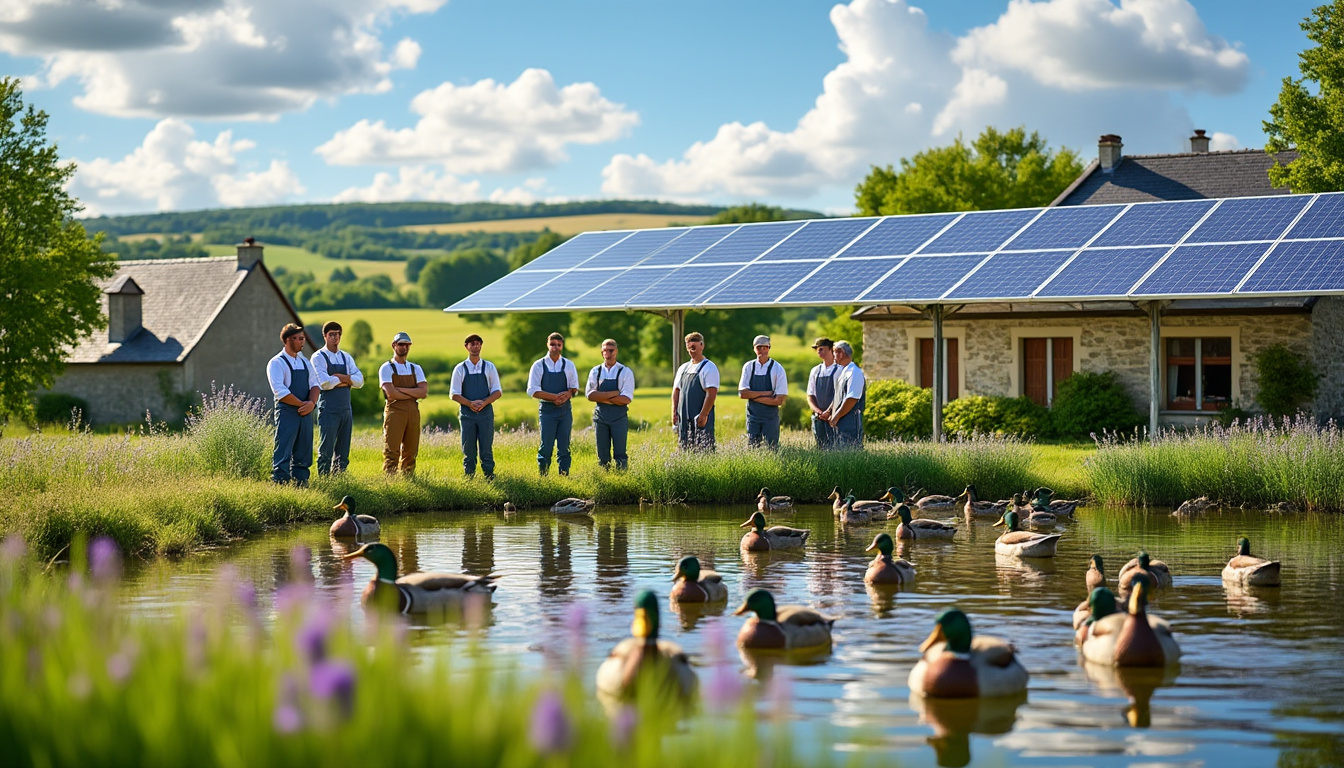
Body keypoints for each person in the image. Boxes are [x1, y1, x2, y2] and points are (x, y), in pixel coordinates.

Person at [266, 323, 318, 485]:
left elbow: (315, 384)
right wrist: (303, 405)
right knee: (284, 447)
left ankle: (301, 481)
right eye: (299, 339)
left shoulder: (305, 362)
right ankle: (280, 480)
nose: (303, 342)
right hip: (287, 412)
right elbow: (279, 391)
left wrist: (311, 403)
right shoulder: (276, 363)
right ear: (289, 340)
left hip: (306, 412)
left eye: (303, 338)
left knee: (304, 449)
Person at [311, 321, 364, 475]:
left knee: (343, 451)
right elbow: (325, 383)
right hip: (329, 409)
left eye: (338, 334)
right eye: (331, 334)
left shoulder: (346, 357)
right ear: (325, 336)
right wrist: (348, 380)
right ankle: (324, 481)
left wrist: (338, 377)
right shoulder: (318, 357)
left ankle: (339, 479)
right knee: (326, 449)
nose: (335, 338)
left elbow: (360, 381)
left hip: (346, 410)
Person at [528, 332, 580, 476]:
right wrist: (553, 397)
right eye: (552, 344)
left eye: (558, 345)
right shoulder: (538, 365)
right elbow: (532, 390)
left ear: (562, 346)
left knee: (564, 446)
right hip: (547, 410)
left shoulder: (569, 365)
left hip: (565, 410)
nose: (555, 347)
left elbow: (574, 387)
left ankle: (564, 475)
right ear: (547, 344)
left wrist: (567, 395)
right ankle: (543, 476)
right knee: (546, 445)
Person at [451, 334, 502, 479]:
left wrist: (484, 403)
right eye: (472, 344)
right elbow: (454, 394)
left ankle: (489, 475)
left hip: (485, 414)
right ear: (466, 347)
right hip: (467, 415)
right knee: (468, 448)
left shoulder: (489, 367)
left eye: (478, 343)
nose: (475, 346)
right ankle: (469, 477)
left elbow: (497, 391)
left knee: (486, 448)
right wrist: (470, 404)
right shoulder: (460, 369)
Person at [378, 332, 427, 476]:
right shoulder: (386, 367)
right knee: (391, 449)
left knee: (411, 450)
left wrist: (400, 389)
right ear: (394, 346)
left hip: (413, 411)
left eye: (407, 344)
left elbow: (423, 393)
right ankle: (390, 480)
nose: (404, 347)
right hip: (394, 411)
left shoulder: (415, 368)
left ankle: (407, 479)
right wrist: (413, 392)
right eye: (401, 344)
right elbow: (390, 394)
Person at [586, 338, 635, 470]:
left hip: (619, 417)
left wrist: (601, 397)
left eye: (611, 350)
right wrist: (614, 393)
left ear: (616, 351)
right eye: (605, 350)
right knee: (602, 454)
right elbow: (590, 395)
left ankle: (622, 480)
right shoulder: (595, 371)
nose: (608, 353)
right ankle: (606, 481)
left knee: (620, 454)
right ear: (601, 352)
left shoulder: (625, 371)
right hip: (600, 417)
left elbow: (626, 399)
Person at [738, 334, 789, 450]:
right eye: (758, 347)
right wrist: (766, 394)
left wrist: (753, 396)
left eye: (765, 347)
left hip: (770, 418)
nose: (762, 350)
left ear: (769, 347)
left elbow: (779, 400)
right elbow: (742, 394)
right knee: (752, 448)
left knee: (772, 448)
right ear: (754, 349)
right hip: (752, 416)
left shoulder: (777, 368)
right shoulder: (748, 367)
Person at [671, 331, 718, 451]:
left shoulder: (709, 367)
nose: (692, 350)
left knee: (703, 449)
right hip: (684, 417)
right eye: (689, 346)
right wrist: (674, 412)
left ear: (702, 345)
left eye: (695, 346)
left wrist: (703, 415)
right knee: (684, 448)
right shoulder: (683, 368)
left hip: (700, 417)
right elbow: (676, 391)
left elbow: (711, 394)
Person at [828, 340, 866, 448]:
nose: (833, 354)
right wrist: (831, 411)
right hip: (842, 423)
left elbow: (851, 399)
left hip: (850, 423)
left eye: (835, 351)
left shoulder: (854, 372)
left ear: (841, 352)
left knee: (851, 455)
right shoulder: (844, 372)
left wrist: (836, 416)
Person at [806, 337, 839, 449]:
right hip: (819, 418)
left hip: (835, 417)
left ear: (830, 349)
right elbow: (810, 395)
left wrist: (829, 412)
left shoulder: (840, 369)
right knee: (820, 448)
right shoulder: (815, 371)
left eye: (821, 349)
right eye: (817, 350)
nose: (819, 352)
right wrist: (819, 412)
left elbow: (840, 395)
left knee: (836, 448)